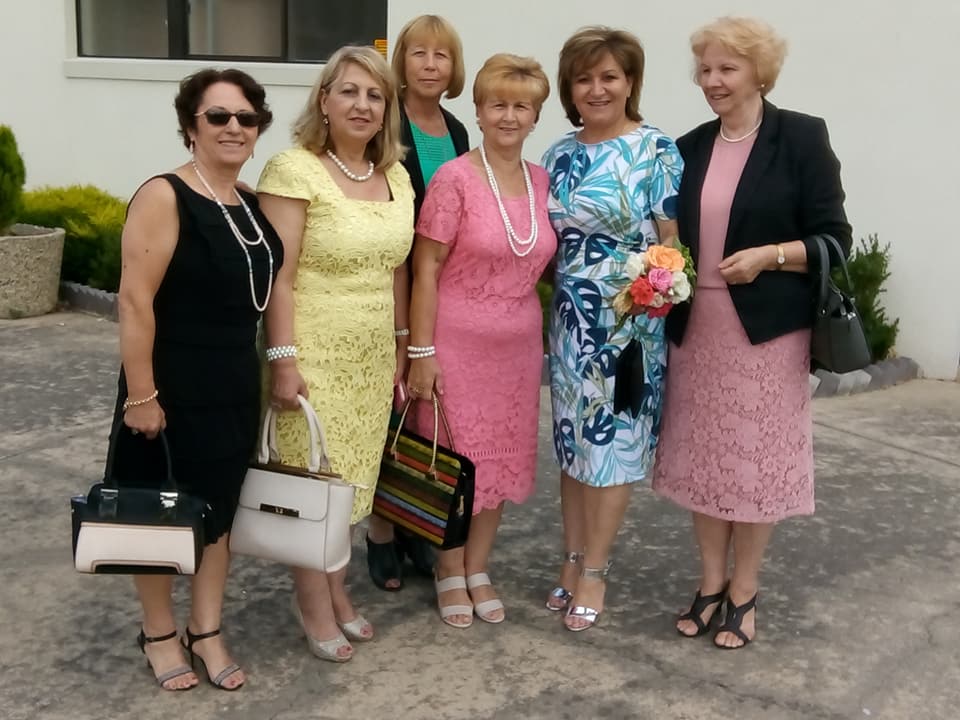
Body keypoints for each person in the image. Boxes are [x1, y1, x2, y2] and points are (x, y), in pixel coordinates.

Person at [653, 16, 851, 649]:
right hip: (697, 330)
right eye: (705, 69)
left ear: (759, 73)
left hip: (766, 335)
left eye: (727, 69)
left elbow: (834, 239)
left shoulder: (801, 137)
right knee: (705, 460)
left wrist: (772, 256)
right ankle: (710, 583)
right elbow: (670, 232)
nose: (713, 80)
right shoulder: (687, 147)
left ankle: (744, 590)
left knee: (752, 465)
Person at [111, 69, 281, 690]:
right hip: (169, 384)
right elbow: (134, 301)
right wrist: (141, 395)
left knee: (219, 513)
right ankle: (158, 633)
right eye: (218, 116)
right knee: (158, 511)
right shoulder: (164, 195)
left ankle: (205, 629)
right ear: (191, 126)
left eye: (246, 117)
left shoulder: (250, 204)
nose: (234, 127)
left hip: (233, 381)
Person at [256, 46, 414, 662]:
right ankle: (315, 606)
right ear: (324, 100)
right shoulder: (293, 170)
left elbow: (397, 270)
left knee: (350, 486)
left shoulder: (395, 176)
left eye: (375, 95)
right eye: (348, 91)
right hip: (312, 353)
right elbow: (279, 276)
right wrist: (283, 359)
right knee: (314, 484)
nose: (362, 105)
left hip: (371, 358)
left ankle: (338, 590)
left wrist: (402, 346)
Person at [541, 27, 683, 632]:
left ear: (630, 83)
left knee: (613, 448)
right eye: (584, 79)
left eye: (609, 77)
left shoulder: (656, 149)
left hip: (628, 322)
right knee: (573, 446)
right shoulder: (556, 154)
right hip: (569, 321)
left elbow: (671, 244)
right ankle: (571, 560)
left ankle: (596, 570)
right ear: (569, 88)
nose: (596, 89)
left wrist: (653, 296)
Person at [406, 53, 553, 628]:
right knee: (456, 463)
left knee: (499, 463)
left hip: (517, 352)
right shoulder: (454, 179)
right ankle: (448, 569)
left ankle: (478, 567)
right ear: (479, 110)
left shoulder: (541, 181)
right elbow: (425, 268)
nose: (509, 116)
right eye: (498, 105)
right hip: (456, 345)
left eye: (521, 106)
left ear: (536, 115)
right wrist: (422, 352)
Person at [364, 14, 472, 592]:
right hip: (386, 282)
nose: (431, 65)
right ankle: (381, 532)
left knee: (420, 412)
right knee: (390, 407)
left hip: (437, 288)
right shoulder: (384, 121)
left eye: (442, 55)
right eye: (419, 53)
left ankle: (413, 522)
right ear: (400, 61)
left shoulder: (456, 128)